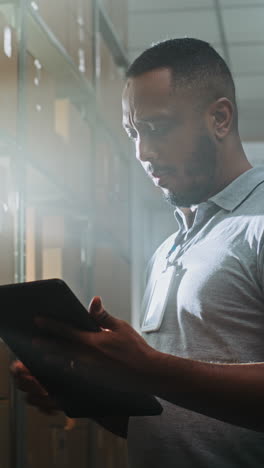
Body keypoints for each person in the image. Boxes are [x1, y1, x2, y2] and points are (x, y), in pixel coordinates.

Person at [12, 38, 264, 467]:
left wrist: (147, 368)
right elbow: (165, 421)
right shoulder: (167, 250)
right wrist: (86, 390)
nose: (143, 153)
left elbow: (158, 375)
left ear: (220, 118)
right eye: (133, 133)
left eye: (158, 128)